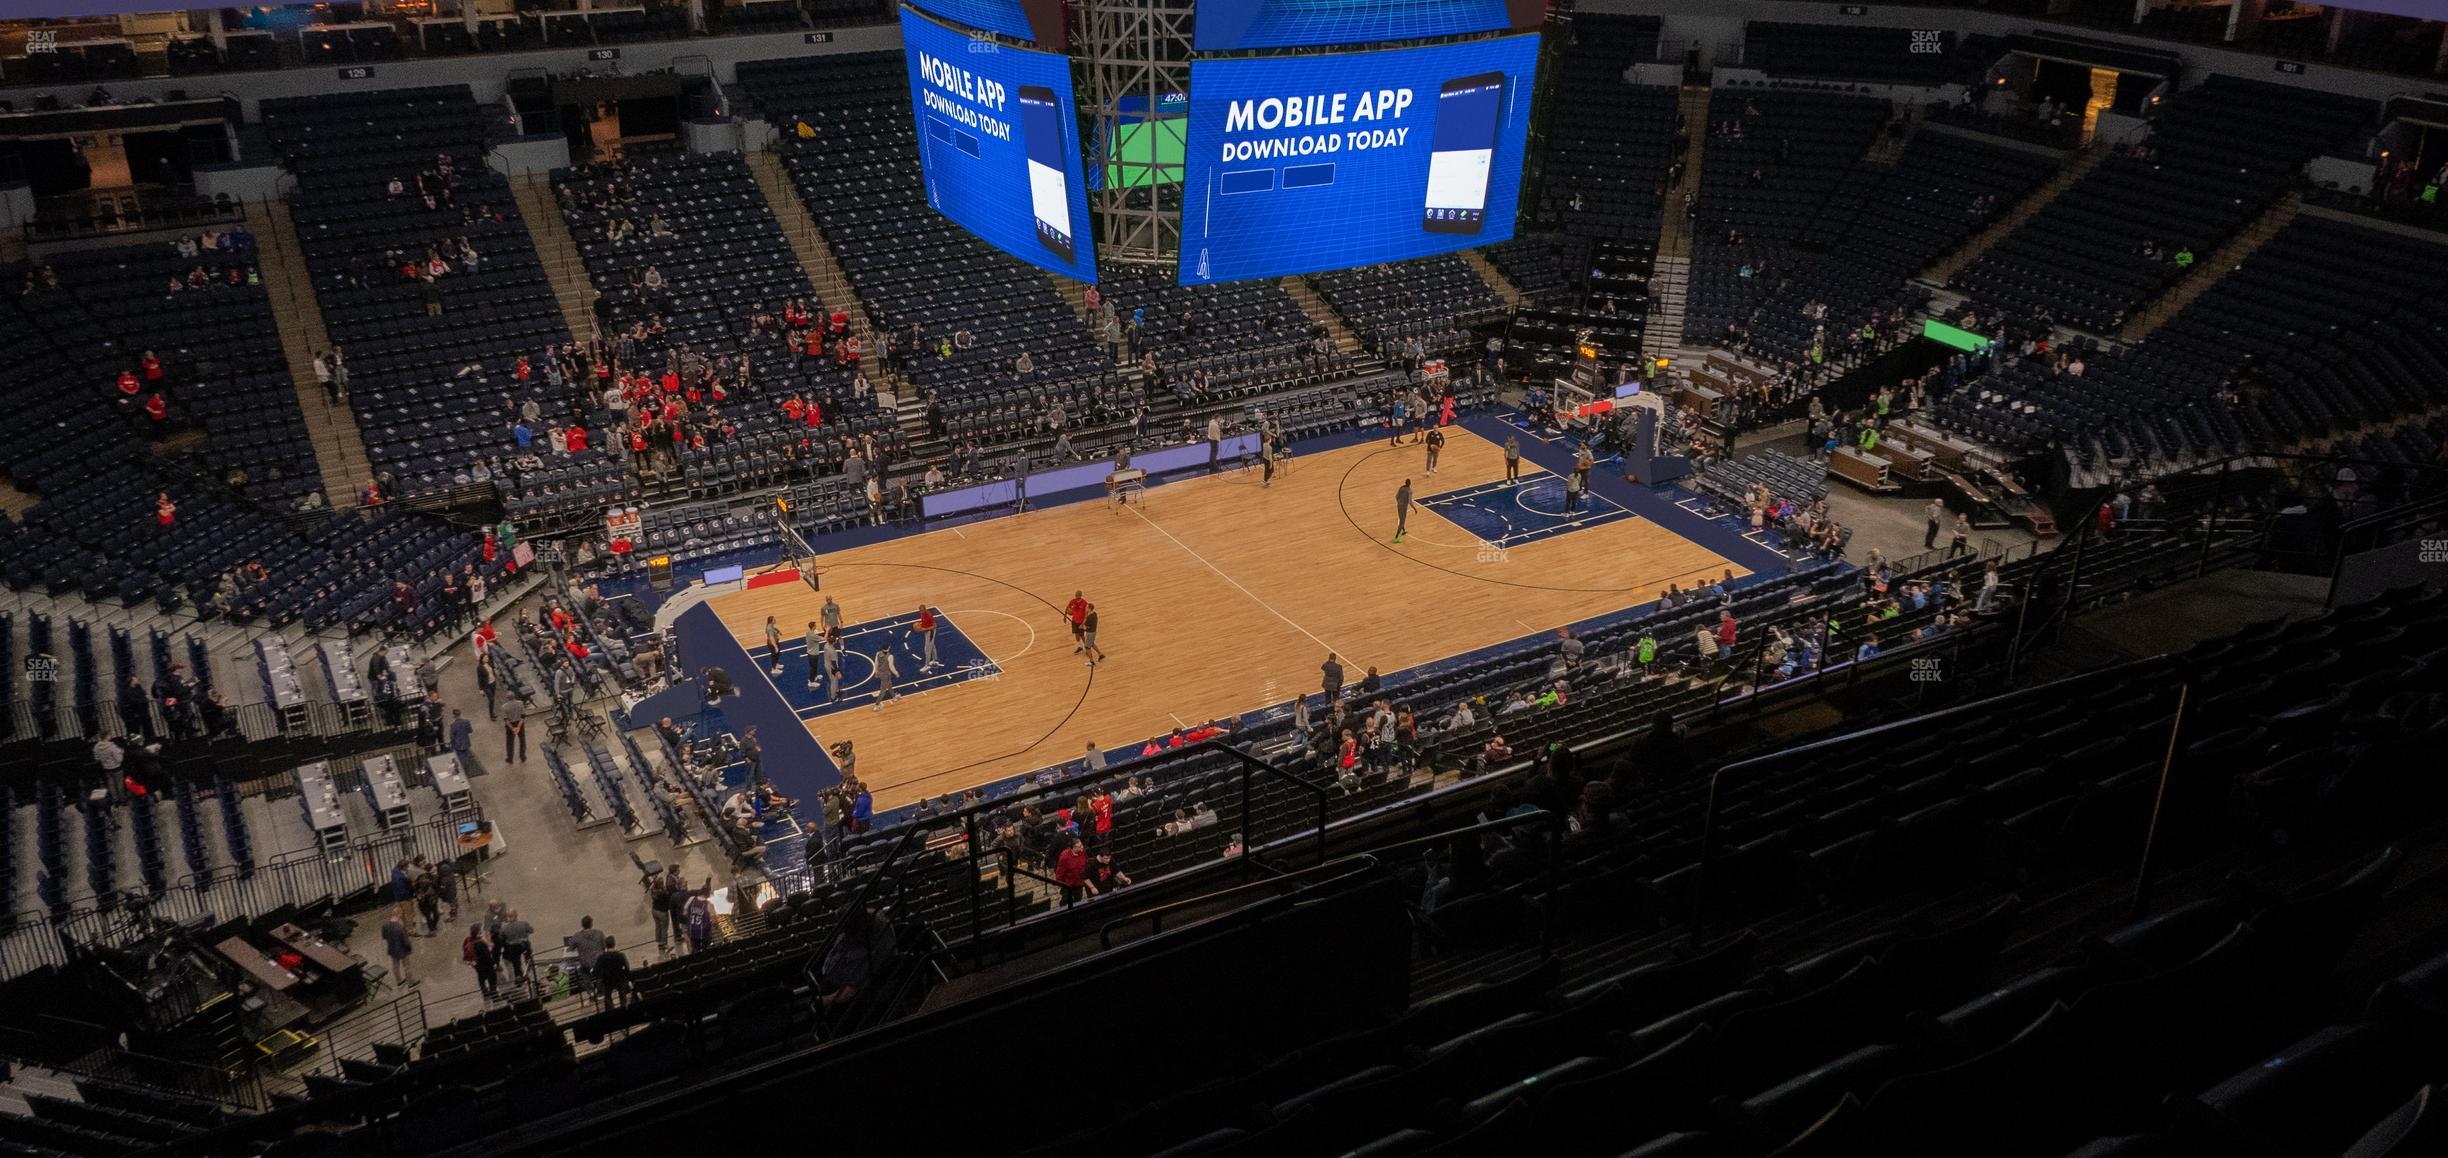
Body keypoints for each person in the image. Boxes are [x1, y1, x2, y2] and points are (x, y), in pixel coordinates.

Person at [1054, 836, 1096, 904]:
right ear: (1074, 848)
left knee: (1078, 900)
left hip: (1079, 883)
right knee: (1065, 902)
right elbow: (1059, 872)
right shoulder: (1065, 856)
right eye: (1079, 846)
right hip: (1068, 884)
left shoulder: (1083, 852)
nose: (1082, 847)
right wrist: (1060, 883)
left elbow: (1086, 863)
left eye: (1082, 845)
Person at [497, 909, 534, 983]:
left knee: (516, 963)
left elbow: (501, 938)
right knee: (528, 959)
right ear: (516, 915)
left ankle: (519, 977)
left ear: (508, 917)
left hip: (513, 947)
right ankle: (530, 973)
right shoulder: (524, 923)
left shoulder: (504, 928)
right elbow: (531, 931)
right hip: (524, 944)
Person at [594, 936, 633, 1008]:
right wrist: (625, 976)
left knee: (608, 996)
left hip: (607, 981)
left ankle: (611, 1010)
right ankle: (623, 1008)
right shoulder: (620, 955)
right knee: (622, 993)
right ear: (614, 944)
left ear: (606, 945)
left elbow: (596, 970)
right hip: (620, 979)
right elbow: (627, 968)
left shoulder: (601, 957)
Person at [464, 922, 498, 998]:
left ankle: (485, 994)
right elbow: (487, 956)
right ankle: (494, 995)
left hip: (478, 966)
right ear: (478, 932)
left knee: (481, 979)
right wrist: (493, 963)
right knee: (492, 979)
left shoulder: (469, 940)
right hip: (486, 966)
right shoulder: (480, 943)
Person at [383, 914, 416, 986]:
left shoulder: (385, 926)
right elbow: (406, 941)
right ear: (398, 918)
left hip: (392, 949)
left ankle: (399, 981)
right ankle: (410, 982)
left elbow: (384, 937)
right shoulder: (399, 928)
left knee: (395, 965)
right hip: (402, 950)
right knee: (406, 965)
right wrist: (410, 948)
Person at [501, 696, 527, 764]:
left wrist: (512, 728)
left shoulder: (504, 706)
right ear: (514, 697)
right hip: (520, 724)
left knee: (510, 743)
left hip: (510, 725)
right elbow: (523, 716)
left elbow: (506, 720)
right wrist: (518, 727)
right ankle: (522, 756)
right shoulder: (520, 703)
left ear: (507, 698)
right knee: (522, 740)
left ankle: (510, 758)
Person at [872, 645, 897, 710]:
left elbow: (876, 663)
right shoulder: (890, 656)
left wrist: (876, 671)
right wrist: (896, 673)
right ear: (889, 648)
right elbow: (891, 667)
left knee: (889, 684)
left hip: (880, 673)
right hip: (885, 674)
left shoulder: (878, 653)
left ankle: (894, 696)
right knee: (883, 690)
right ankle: (877, 705)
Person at [916, 605, 939, 671]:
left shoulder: (929, 615)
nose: (921, 612)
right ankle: (935, 660)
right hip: (927, 632)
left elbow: (935, 626)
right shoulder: (922, 614)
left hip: (930, 632)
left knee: (927, 649)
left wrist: (925, 629)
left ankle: (927, 665)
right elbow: (924, 622)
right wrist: (920, 624)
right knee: (932, 645)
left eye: (922, 611)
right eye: (920, 611)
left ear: (925, 609)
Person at [1394, 479, 1414, 543]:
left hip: (1399, 505)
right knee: (1402, 521)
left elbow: (1396, 496)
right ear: (1410, 483)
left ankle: (1403, 530)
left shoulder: (1401, 488)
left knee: (1401, 518)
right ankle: (1396, 537)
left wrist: (1399, 502)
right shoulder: (1409, 491)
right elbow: (1410, 502)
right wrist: (1414, 508)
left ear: (1405, 482)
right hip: (1403, 507)